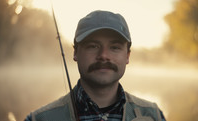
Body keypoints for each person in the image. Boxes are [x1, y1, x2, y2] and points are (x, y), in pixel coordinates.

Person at [25, 10, 166, 121]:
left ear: (127, 56)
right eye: (93, 46)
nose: (103, 55)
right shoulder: (38, 119)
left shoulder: (154, 116)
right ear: (75, 53)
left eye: (115, 47)